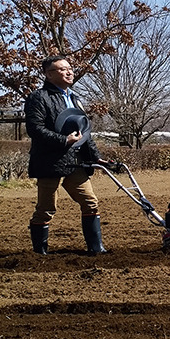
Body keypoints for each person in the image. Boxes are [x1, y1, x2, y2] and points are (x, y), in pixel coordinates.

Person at [25, 55, 109, 256]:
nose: (69, 72)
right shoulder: (39, 97)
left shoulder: (75, 98)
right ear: (49, 74)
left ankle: (96, 248)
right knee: (46, 208)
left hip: (75, 162)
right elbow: (34, 129)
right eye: (63, 69)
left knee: (90, 201)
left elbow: (84, 131)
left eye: (70, 68)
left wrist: (95, 157)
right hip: (49, 162)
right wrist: (63, 141)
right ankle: (40, 253)